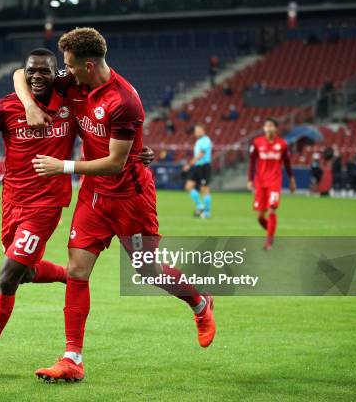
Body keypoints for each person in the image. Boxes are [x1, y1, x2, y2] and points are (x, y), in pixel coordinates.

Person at [14, 27, 216, 382]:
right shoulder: (74, 82)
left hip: (130, 198)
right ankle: (72, 359)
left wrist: (63, 167)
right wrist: (30, 105)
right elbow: (20, 75)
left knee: (147, 272)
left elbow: (115, 163)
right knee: (77, 270)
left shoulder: (124, 101)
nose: (66, 72)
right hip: (94, 196)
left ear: (89, 65)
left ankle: (200, 303)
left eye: (71, 66)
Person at [0, 48, 156, 380]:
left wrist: (137, 152)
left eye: (46, 72)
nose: (37, 76)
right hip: (12, 203)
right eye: (31, 71)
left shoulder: (69, 103)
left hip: (46, 206)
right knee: (22, 272)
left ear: (58, 76)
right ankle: (70, 275)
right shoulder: (6, 107)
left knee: (8, 276)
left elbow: (103, 132)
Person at [247, 118, 296, 250]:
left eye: (270, 125)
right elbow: (252, 162)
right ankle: (271, 233)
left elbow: (287, 163)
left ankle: (269, 241)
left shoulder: (283, 144)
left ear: (275, 128)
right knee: (259, 216)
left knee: (271, 209)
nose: (268, 128)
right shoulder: (257, 143)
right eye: (266, 125)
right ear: (263, 128)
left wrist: (291, 179)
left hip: (274, 181)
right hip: (260, 182)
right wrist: (250, 179)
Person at [183, 124, 212, 218]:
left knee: (204, 189)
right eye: (196, 130)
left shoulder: (206, 140)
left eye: (198, 130)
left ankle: (207, 213)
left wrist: (189, 164)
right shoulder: (199, 141)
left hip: (204, 167)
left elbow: (200, 154)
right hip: (197, 167)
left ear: (203, 131)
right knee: (188, 186)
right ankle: (200, 206)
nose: (196, 132)